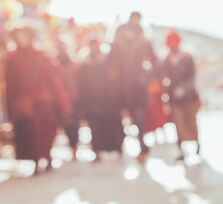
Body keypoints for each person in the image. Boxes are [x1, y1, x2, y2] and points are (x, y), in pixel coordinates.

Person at [4, 23, 71, 174]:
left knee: (46, 133)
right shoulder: (12, 58)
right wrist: (9, 107)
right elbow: (9, 85)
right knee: (30, 134)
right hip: (26, 104)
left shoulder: (43, 56)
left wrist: (65, 105)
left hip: (44, 103)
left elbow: (55, 82)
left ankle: (46, 157)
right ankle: (35, 160)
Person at [108, 11, 154, 162]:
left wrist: (147, 75)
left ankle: (142, 145)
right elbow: (110, 63)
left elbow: (152, 62)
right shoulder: (117, 42)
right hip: (120, 86)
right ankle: (119, 145)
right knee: (118, 114)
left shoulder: (144, 41)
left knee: (139, 116)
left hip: (137, 86)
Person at [77, 37, 124, 159]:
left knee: (111, 124)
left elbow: (114, 79)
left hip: (107, 99)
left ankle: (117, 148)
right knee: (95, 127)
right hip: (92, 99)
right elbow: (82, 83)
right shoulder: (85, 62)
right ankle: (97, 150)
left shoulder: (107, 59)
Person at [160, 30, 201, 162]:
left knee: (191, 122)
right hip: (174, 99)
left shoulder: (187, 57)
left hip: (190, 98)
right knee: (178, 124)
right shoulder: (166, 60)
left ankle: (197, 143)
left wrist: (183, 88)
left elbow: (191, 77)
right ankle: (181, 151)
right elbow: (161, 75)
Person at [55, 45, 82, 161]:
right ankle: (72, 147)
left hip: (74, 100)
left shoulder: (74, 66)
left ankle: (74, 147)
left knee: (74, 125)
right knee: (66, 125)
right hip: (61, 101)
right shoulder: (56, 67)